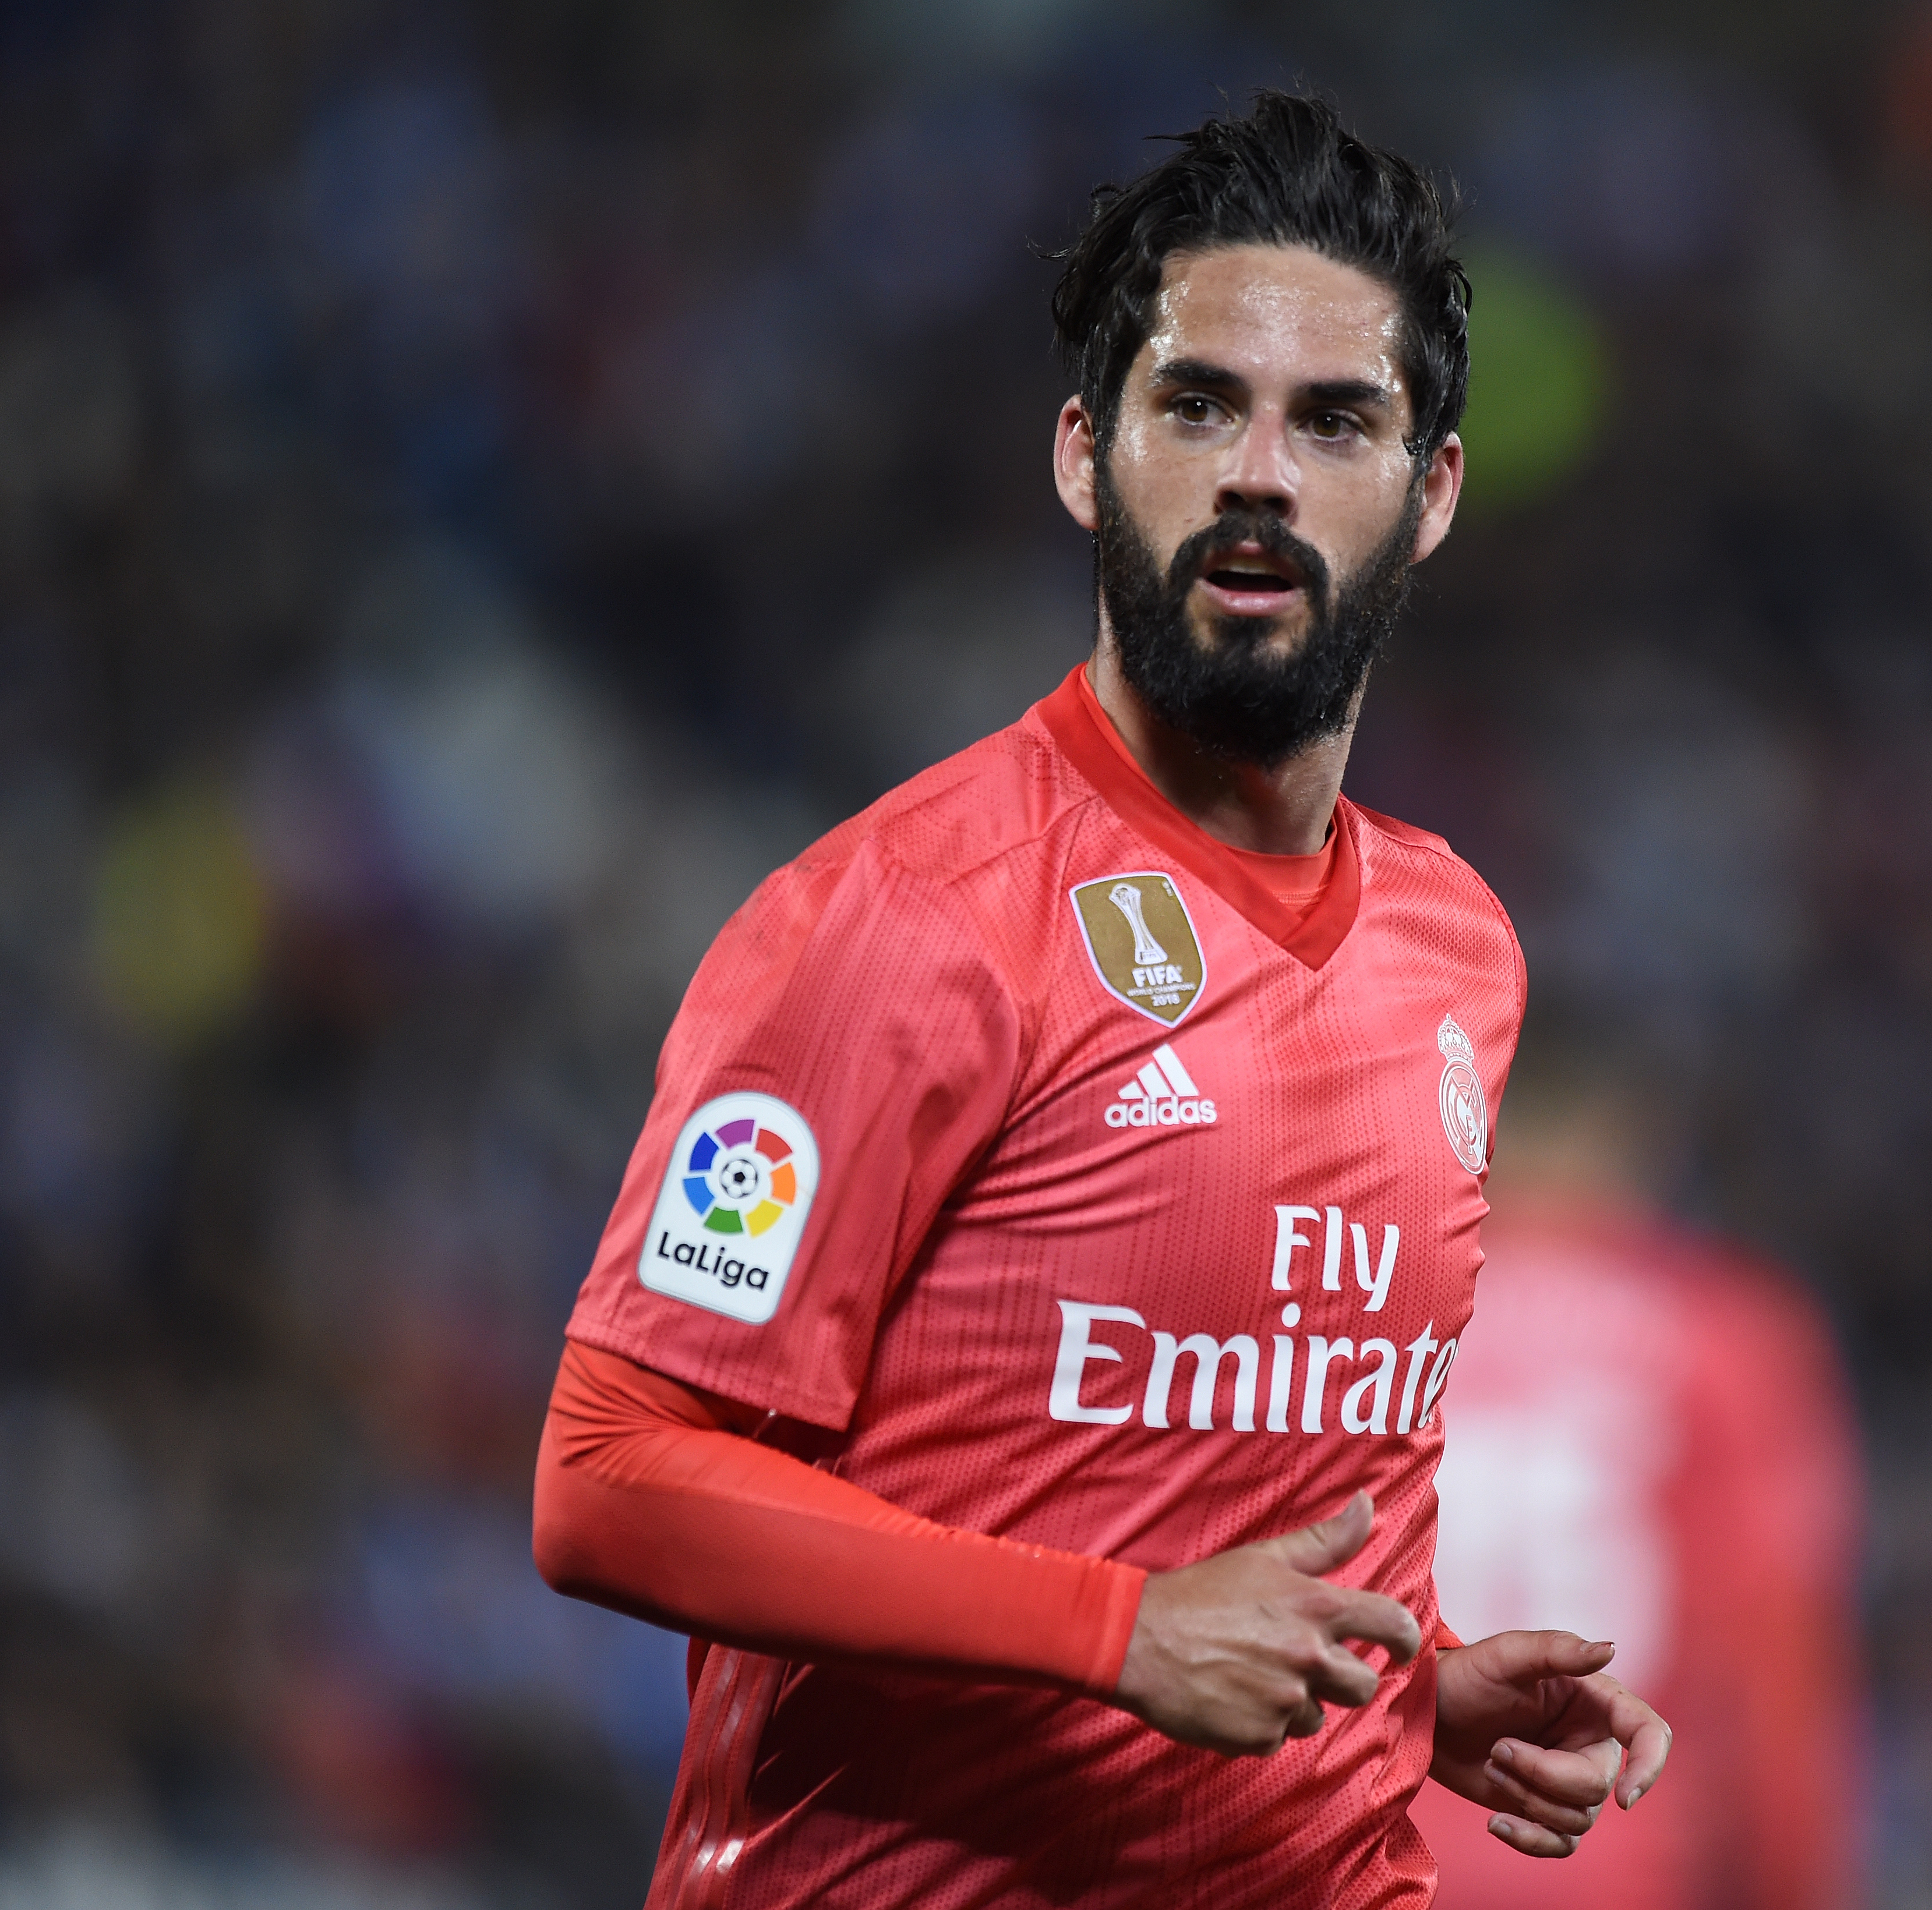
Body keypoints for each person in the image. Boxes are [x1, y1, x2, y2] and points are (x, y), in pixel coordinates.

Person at [529, 92, 1670, 1908]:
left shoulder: (1459, 951)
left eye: (1336, 421)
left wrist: (1404, 1688)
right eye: (1198, 401)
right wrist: (1116, 1629)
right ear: (1086, 452)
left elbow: (1207, 1470)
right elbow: (611, 1479)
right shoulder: (902, 919)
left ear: (1432, 491)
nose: (1259, 473)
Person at [1406, 1052, 1867, 1910]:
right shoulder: (1725, 1333)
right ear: (1628, 1134)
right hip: (1621, 1865)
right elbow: (1776, 1675)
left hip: (1373, 1858)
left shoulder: (1373, 1306)